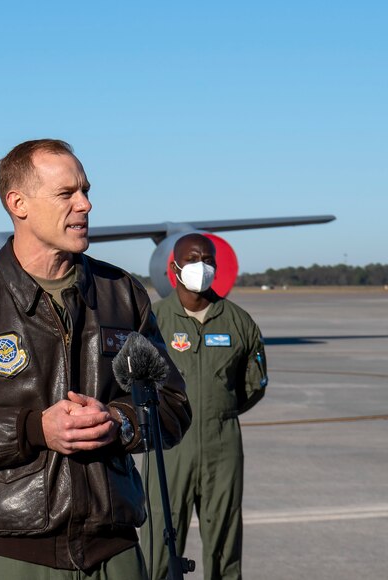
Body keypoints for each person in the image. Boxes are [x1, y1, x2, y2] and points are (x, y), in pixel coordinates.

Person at [0, 139, 192, 579]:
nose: (86, 205)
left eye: (86, 191)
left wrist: (119, 423)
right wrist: (36, 429)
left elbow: (171, 405)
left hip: (113, 550)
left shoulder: (122, 296)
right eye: (66, 193)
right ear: (18, 204)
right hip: (14, 556)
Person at [145, 233, 267, 580]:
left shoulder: (239, 323)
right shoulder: (153, 320)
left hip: (221, 443)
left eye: (208, 259)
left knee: (224, 538)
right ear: (175, 268)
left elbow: (252, 386)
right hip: (168, 448)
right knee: (160, 539)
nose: (202, 266)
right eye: (194, 259)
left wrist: (216, 410)